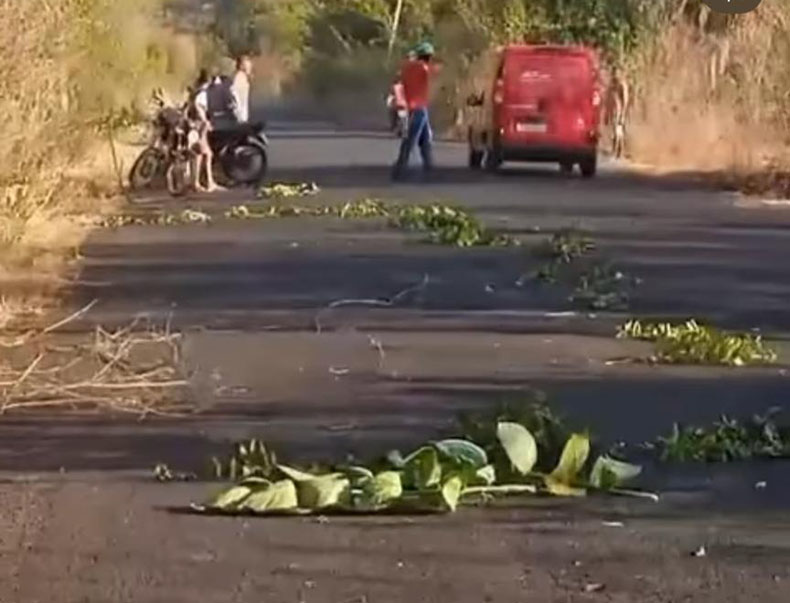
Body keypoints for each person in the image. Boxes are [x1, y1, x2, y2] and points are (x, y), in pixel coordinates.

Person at [391, 42, 439, 181]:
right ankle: (400, 169)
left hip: (413, 107)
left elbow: (399, 79)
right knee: (411, 140)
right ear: (428, 56)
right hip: (418, 108)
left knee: (425, 139)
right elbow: (436, 73)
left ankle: (429, 167)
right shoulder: (424, 68)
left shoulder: (407, 67)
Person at [188, 69, 220, 192]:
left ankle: (205, 182)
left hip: (196, 125)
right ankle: (197, 183)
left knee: (204, 154)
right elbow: (198, 105)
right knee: (200, 153)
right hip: (198, 125)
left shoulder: (198, 89)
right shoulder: (203, 92)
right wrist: (205, 120)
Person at [607, 64, 629, 159]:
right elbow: (608, 98)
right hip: (614, 110)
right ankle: (615, 150)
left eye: (616, 72)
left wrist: (623, 113)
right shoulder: (612, 84)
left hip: (619, 111)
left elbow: (625, 99)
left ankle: (619, 151)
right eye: (613, 72)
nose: (614, 74)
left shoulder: (622, 84)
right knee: (614, 131)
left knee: (618, 131)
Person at [231, 55, 253, 124]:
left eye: (250, 67)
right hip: (239, 116)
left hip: (240, 115)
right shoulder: (240, 77)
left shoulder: (243, 77)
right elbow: (234, 94)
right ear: (241, 66)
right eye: (248, 67)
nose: (250, 69)